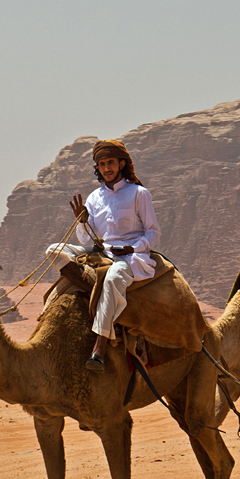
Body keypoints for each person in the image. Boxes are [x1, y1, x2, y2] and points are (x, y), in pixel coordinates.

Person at [42, 139, 160, 372]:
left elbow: (153, 232)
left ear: (122, 164)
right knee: (53, 251)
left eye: (111, 163)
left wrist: (134, 248)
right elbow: (86, 240)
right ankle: (92, 288)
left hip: (130, 256)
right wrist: (81, 220)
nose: (107, 168)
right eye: (102, 164)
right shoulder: (94, 197)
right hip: (100, 251)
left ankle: (99, 347)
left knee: (114, 278)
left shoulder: (139, 193)